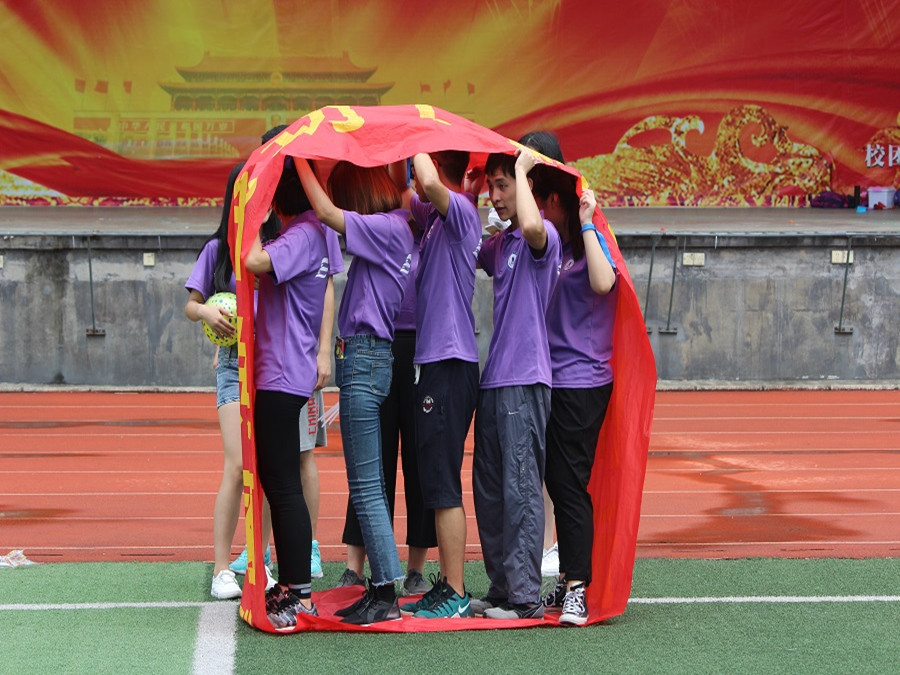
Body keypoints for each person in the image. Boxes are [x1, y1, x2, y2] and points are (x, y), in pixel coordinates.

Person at [296, 158, 414, 625]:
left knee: (366, 485)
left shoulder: (387, 228)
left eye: (346, 197)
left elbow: (327, 214)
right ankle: (381, 588)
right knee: (368, 484)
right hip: (365, 356)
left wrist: (299, 160)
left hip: (365, 356)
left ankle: (385, 593)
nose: (341, 206)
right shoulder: (393, 227)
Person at [470, 148, 561, 620]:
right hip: (494, 380)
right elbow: (468, 248)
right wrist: (467, 191)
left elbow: (531, 227)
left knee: (521, 487)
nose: (495, 195)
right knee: (489, 489)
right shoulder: (502, 242)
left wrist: (523, 170)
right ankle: (502, 588)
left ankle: (525, 597)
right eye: (492, 186)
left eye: (502, 185)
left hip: (525, 378)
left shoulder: (542, 236)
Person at [391, 151, 482, 619]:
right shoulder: (432, 220)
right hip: (434, 362)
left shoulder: (460, 209)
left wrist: (417, 139)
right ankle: (447, 584)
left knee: (443, 483)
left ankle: (456, 591)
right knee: (433, 478)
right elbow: (403, 189)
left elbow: (426, 183)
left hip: (450, 361)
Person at [243, 156, 331, 629]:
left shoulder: (302, 234)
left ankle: (300, 593)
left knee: (283, 484)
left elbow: (255, 261)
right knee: (279, 482)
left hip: (282, 371)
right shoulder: (310, 231)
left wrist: (252, 214)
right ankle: (293, 587)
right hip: (285, 369)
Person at [184, 161, 278, 600]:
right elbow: (191, 305)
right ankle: (222, 569)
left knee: (268, 469)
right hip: (231, 367)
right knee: (237, 465)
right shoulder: (216, 250)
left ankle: (261, 561)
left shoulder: (276, 246)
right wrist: (206, 312)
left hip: (274, 366)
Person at [534, 172, 617, 625]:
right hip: (555, 377)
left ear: (554, 200)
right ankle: (568, 577)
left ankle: (578, 589)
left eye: (538, 200)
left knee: (568, 484)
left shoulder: (589, 240)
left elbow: (604, 284)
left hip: (583, 380)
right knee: (558, 480)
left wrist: (586, 222)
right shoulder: (558, 248)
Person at [337, 218, 437, 596]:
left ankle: (415, 569)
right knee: (370, 459)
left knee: (419, 458)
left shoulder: (436, 230)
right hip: (375, 344)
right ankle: (354, 566)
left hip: (421, 347)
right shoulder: (381, 226)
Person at [519, 130, 567, 579]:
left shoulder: (552, 225)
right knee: (542, 456)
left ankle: (554, 543)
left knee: (556, 458)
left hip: (561, 358)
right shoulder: (527, 221)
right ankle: (549, 542)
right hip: (542, 353)